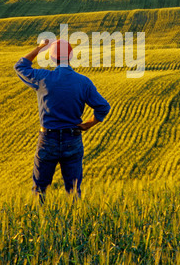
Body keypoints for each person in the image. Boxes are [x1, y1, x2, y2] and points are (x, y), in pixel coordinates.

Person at [14, 38, 110, 204]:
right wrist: (89, 123)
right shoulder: (83, 82)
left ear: (52, 58)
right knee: (73, 190)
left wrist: (39, 48)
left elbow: (20, 66)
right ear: (71, 56)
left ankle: (39, 225)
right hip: (72, 138)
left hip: (48, 139)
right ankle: (75, 224)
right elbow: (103, 107)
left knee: (39, 190)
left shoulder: (43, 77)